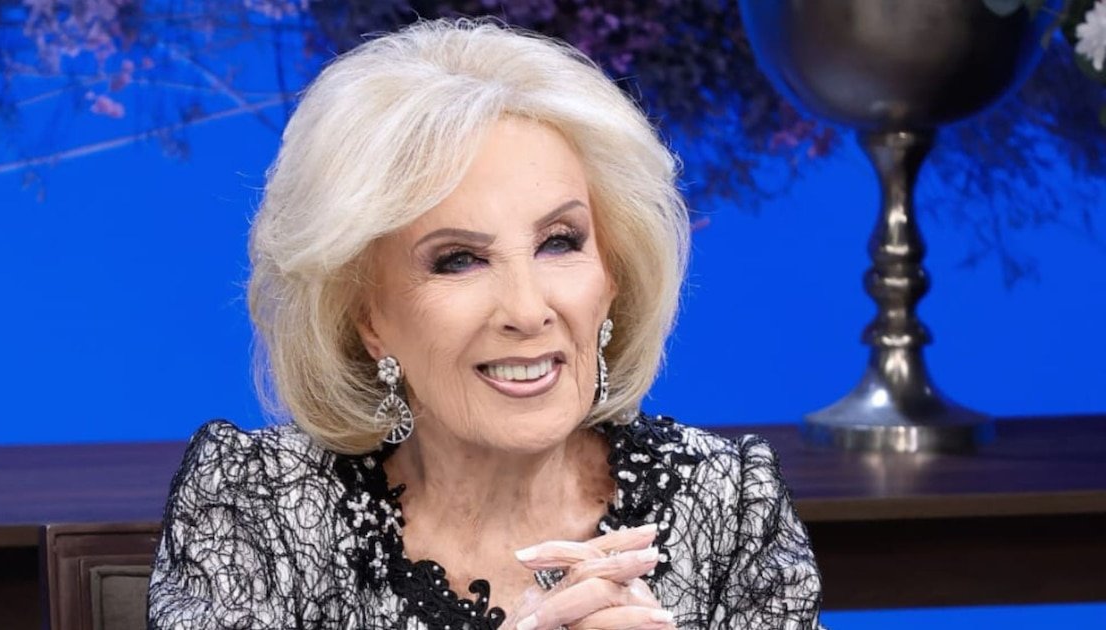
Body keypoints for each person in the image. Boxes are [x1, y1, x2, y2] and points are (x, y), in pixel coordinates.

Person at [147, 17, 825, 630]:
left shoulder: (730, 504)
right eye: (459, 260)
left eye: (559, 242)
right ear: (367, 316)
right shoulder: (260, 506)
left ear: (612, 274)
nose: (527, 311)